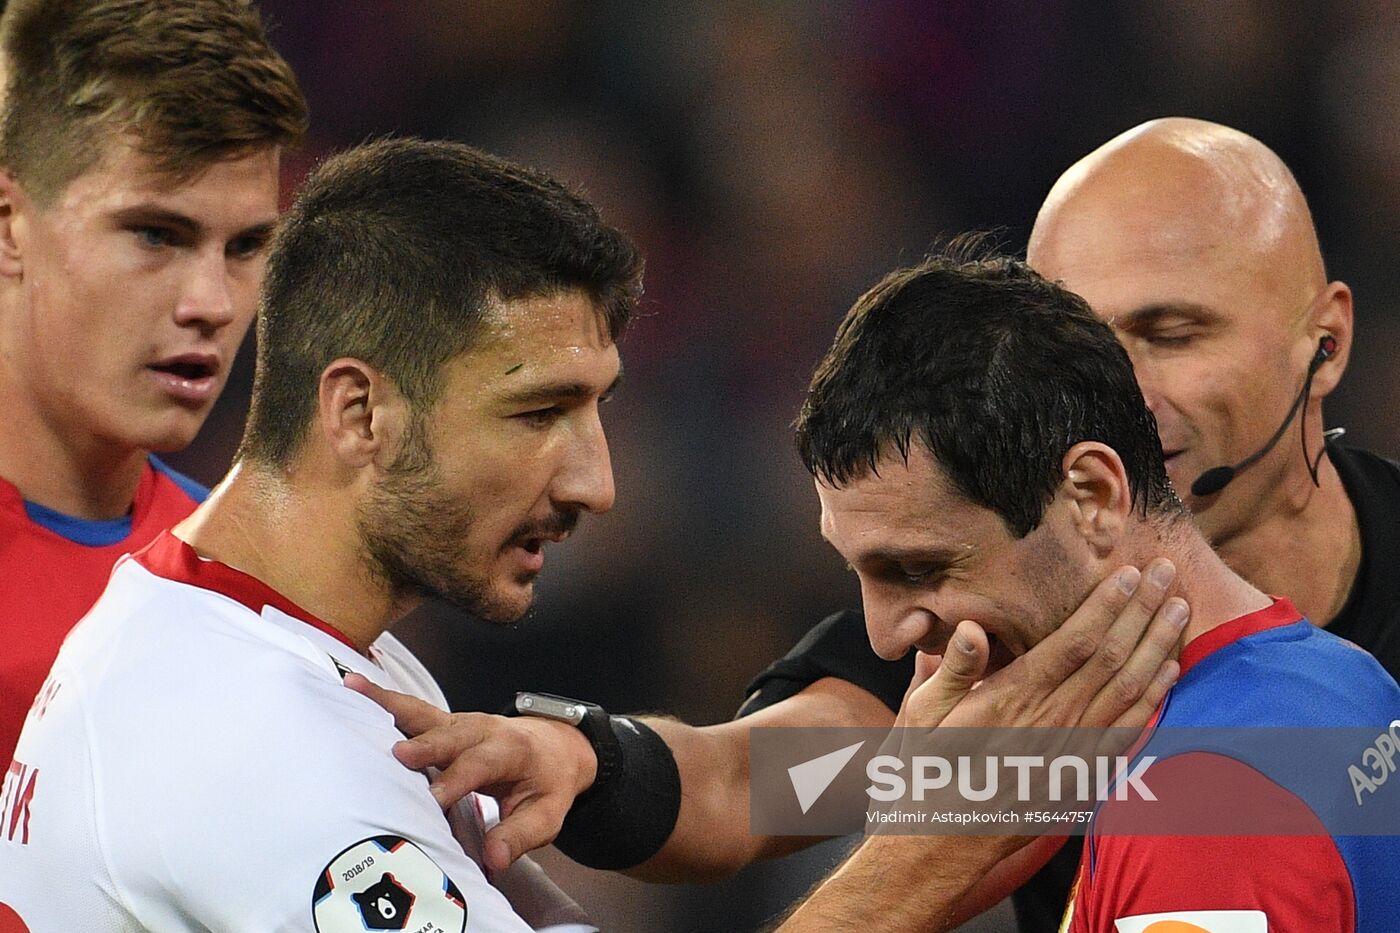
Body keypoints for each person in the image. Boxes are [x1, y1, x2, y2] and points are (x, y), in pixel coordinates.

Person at [363, 117, 1397, 926]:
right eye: (1074, 333)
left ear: (1325, 340)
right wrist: (594, 763)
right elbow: (778, 778)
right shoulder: (988, 623)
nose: (1118, 384)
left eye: (1172, 333)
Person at [0, 137, 642, 931]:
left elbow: (756, 777)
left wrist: (596, 766)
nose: (596, 484)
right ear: (359, 412)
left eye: (596, 408)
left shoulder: (248, 634)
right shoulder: (251, 735)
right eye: (539, 413)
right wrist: (851, 871)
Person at [774, 246, 1400, 931]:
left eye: (921, 569)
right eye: (857, 570)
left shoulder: (1202, 808)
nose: (884, 636)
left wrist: (911, 864)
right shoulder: (1340, 678)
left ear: (1093, 495)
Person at [0, 0, 308, 765]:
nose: (212, 303)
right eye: (155, 235)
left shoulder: (255, 593)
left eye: (245, 245)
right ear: (9, 224)